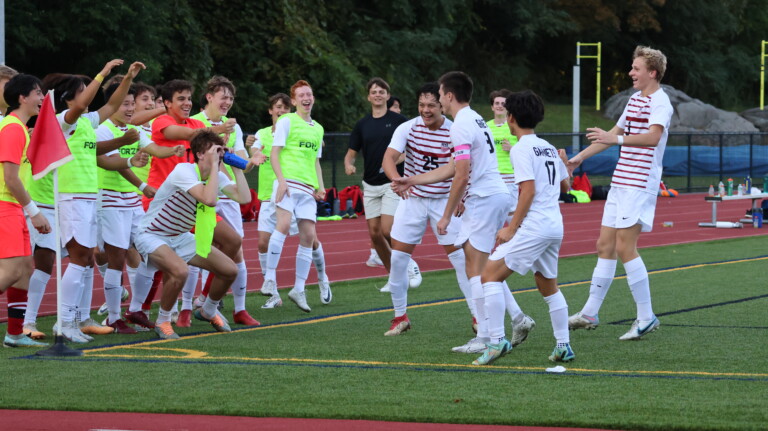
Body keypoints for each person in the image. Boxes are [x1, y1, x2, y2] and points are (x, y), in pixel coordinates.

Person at [392, 71, 525, 354]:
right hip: (493, 195)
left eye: (439, 95)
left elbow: (461, 175)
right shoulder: (474, 118)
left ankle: (488, 337)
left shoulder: (459, 125)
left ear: (448, 96)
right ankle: (512, 321)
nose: (438, 100)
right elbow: (453, 168)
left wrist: (446, 214)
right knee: (476, 266)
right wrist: (412, 179)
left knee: (476, 270)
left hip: (484, 198)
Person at [566, 46, 672, 341]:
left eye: (636, 68)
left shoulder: (661, 102)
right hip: (621, 182)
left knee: (626, 248)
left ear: (652, 73)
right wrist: (579, 158)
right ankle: (589, 312)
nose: (630, 73)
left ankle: (646, 316)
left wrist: (617, 138)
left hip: (640, 184)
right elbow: (610, 136)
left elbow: (652, 137)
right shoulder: (635, 99)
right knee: (605, 245)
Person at [38, 60, 146, 343]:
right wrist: (103, 73)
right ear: (68, 98)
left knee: (84, 260)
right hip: (72, 198)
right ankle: (65, 322)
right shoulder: (63, 121)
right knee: (78, 260)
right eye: (82, 91)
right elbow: (81, 107)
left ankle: (72, 321)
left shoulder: (86, 122)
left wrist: (128, 80)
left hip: (88, 198)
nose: (88, 95)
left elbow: (111, 107)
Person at [473, 90, 574, 365]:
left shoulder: (520, 148)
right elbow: (566, 187)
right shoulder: (548, 147)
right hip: (555, 225)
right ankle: (563, 345)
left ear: (511, 118)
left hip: (536, 225)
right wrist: (565, 165)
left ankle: (496, 342)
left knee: (490, 275)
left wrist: (511, 229)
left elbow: (527, 191)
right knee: (547, 285)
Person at [134, 130, 251, 339]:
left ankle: (208, 310)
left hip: (179, 236)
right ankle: (162, 321)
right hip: (152, 234)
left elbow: (243, 197)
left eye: (220, 150)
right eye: (213, 150)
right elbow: (209, 200)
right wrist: (216, 166)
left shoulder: (217, 175)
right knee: (180, 271)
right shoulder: (184, 170)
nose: (218, 154)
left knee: (229, 270)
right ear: (199, 154)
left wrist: (237, 168)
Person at [381, 82, 474, 336]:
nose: (426, 110)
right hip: (413, 199)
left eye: (431, 105)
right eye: (421, 105)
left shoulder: (454, 131)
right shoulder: (407, 127)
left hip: (444, 199)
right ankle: (400, 317)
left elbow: (461, 170)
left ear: (441, 104)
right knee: (398, 259)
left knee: (460, 260)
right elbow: (389, 158)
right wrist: (396, 181)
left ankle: (478, 318)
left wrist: (461, 198)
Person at [249, 92, 331, 309]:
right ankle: (272, 289)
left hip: (302, 188)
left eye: (285, 107)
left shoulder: (309, 127)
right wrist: (253, 154)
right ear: (271, 110)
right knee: (266, 240)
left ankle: (321, 279)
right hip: (272, 193)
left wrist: (320, 186)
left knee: (311, 238)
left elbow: (314, 160)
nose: (281, 110)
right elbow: (254, 150)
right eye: (278, 107)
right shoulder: (264, 133)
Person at [190, 75, 260, 326]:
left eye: (231, 97)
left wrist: (252, 159)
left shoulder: (234, 127)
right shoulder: (194, 122)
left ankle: (238, 309)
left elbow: (241, 161)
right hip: (199, 192)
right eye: (223, 96)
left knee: (236, 250)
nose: (227, 101)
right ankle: (190, 307)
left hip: (226, 193)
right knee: (197, 251)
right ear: (209, 96)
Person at [344, 78, 421, 290]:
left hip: (392, 182)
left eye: (382, 91)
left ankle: (410, 264)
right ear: (369, 97)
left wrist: (395, 160)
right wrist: (348, 165)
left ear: (388, 95)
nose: (378, 94)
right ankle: (395, 279)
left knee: (388, 229)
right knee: (375, 235)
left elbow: (412, 149)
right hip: (369, 185)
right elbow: (351, 154)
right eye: (374, 92)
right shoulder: (362, 125)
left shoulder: (400, 122)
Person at [94, 83, 152, 334]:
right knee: (115, 258)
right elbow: (111, 163)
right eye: (124, 103)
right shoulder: (102, 130)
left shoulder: (134, 129)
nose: (130, 108)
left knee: (151, 252)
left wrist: (173, 149)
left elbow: (153, 149)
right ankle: (114, 318)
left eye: (132, 103)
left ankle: (135, 309)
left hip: (132, 199)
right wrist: (142, 183)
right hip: (109, 199)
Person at [0, 73, 50, 347]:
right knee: (9, 272)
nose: (42, 98)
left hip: (13, 207)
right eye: (38, 92)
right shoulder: (13, 128)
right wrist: (35, 211)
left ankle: (15, 334)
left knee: (24, 271)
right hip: (5, 207)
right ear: (22, 97)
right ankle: (15, 333)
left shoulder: (17, 127)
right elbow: (10, 178)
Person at [487, 89, 519, 220]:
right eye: (497, 103)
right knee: (492, 212)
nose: (500, 106)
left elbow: (526, 147)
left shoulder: (515, 125)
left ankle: (515, 236)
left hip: (509, 175)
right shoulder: (485, 126)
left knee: (511, 211)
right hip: (490, 174)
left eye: (503, 103)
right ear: (492, 107)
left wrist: (512, 148)